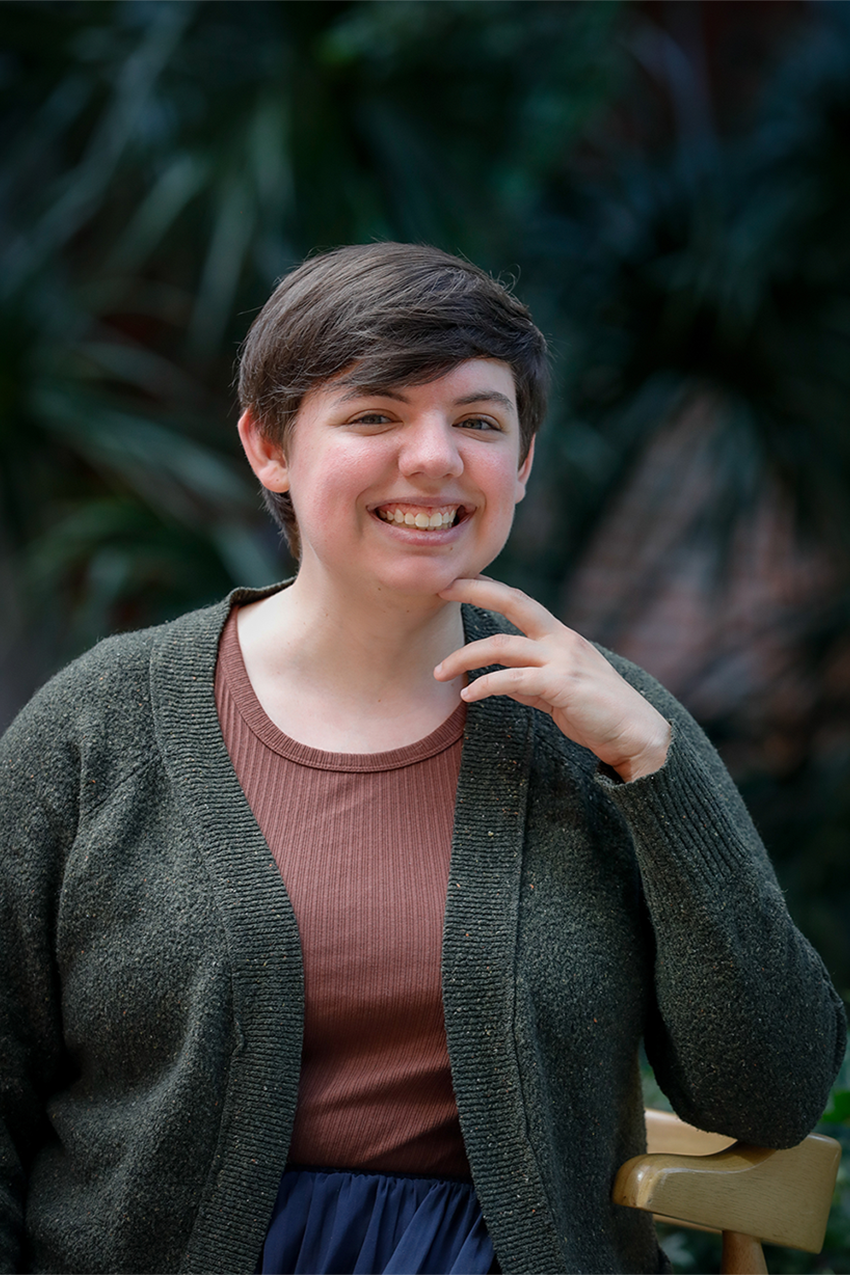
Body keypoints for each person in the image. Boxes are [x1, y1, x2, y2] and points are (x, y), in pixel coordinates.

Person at [0, 242, 845, 1275]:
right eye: (375, 415)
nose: (436, 458)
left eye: (480, 422)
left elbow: (770, 1094)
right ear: (269, 446)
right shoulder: (96, 726)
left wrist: (651, 769)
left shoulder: (611, 728)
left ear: (523, 463)